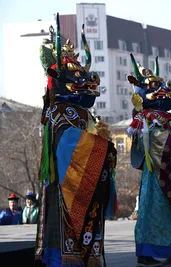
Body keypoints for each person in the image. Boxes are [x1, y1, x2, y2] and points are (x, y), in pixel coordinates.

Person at [35, 14, 118, 267]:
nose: (87, 82)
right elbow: (72, 144)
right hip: (68, 182)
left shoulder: (72, 111)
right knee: (66, 225)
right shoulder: (63, 111)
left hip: (71, 181)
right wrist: (103, 148)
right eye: (77, 79)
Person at [127, 54, 171, 266]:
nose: (162, 90)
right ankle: (146, 251)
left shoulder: (169, 117)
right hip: (156, 174)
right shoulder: (144, 117)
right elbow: (147, 139)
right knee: (153, 209)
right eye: (154, 87)